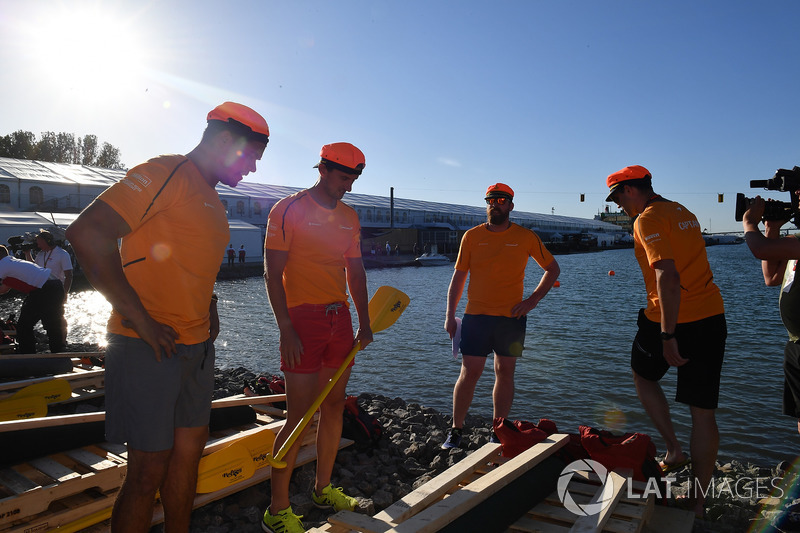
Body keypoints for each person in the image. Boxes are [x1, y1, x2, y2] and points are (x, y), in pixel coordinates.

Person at [65, 101, 269, 533]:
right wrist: (139, 319)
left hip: (195, 349)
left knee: (187, 461)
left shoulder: (211, 198)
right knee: (146, 471)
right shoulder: (165, 173)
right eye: (251, 155)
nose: (252, 168)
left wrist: (209, 302)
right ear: (225, 139)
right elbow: (87, 233)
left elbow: (186, 259)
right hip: (147, 346)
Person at [605, 165, 726, 517]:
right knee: (703, 413)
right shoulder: (682, 211)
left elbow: (667, 275)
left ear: (629, 190)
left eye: (616, 198)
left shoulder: (647, 219)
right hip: (711, 317)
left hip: (668, 319)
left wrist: (668, 335)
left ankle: (673, 448)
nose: (618, 207)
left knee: (643, 376)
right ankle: (698, 502)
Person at [262, 142, 372, 533]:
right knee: (298, 416)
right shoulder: (287, 209)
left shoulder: (349, 217)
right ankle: (277, 510)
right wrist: (285, 329)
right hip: (301, 321)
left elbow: (355, 273)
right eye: (344, 178)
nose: (349, 187)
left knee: (335, 405)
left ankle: (323, 488)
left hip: (338, 318)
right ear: (323, 169)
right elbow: (272, 275)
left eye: (354, 180)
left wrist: (365, 321)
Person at [442, 183, 560, 449]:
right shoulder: (471, 236)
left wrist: (532, 300)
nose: (495, 204)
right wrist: (450, 315)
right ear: (487, 205)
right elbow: (458, 278)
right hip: (476, 316)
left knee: (505, 371)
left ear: (511, 206)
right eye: (491, 200)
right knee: (470, 372)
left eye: (502, 200)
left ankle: (498, 430)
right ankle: (456, 430)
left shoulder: (526, 236)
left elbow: (552, 269)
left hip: (511, 319)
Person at [742, 194, 800, 436]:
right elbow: (772, 277)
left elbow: (760, 249)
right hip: (795, 343)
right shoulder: (794, 243)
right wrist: (771, 228)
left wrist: (749, 222)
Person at [0, 245, 65, 353]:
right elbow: (4, 289)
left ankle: (28, 353)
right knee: (51, 322)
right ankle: (58, 351)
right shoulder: (12, 262)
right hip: (53, 285)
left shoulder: (2, 265)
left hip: (44, 288)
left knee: (25, 325)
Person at [26, 229, 73, 344]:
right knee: (46, 315)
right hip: (41, 289)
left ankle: (62, 340)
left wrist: (65, 293)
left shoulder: (62, 254)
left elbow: (69, 275)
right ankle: (53, 338)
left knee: (59, 316)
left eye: (39, 242)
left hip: (57, 290)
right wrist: (27, 253)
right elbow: (33, 267)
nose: (37, 244)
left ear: (46, 241)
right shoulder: (41, 254)